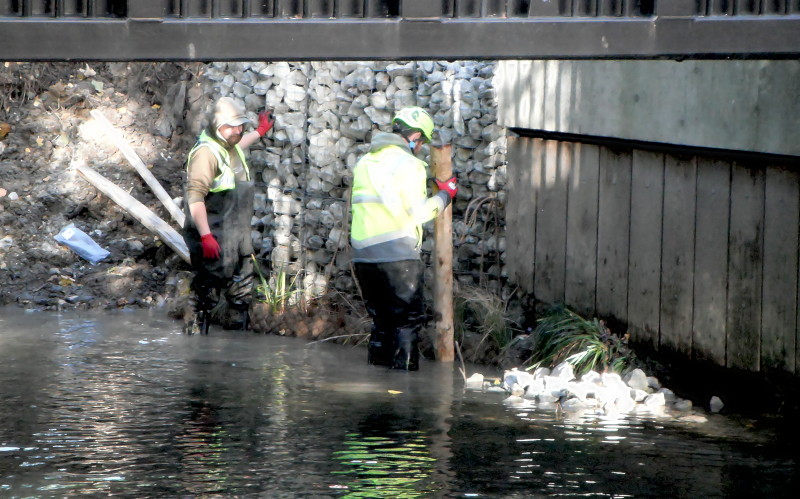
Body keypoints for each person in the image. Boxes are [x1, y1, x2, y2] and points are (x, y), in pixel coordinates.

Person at [350, 106, 458, 370]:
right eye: (422, 143)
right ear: (415, 137)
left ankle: (378, 382)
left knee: (381, 324)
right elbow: (419, 213)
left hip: (363, 257)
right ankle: (405, 389)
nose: (420, 148)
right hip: (398, 256)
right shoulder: (410, 164)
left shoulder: (365, 162)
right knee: (406, 323)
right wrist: (445, 195)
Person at [182, 96, 274, 335]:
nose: (238, 130)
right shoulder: (206, 153)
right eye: (231, 126)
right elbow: (195, 198)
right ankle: (194, 338)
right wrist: (205, 236)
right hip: (212, 233)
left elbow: (240, 144)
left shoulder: (228, 146)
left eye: (240, 125)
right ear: (217, 126)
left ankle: (236, 341)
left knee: (241, 290)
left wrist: (260, 131)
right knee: (206, 292)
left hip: (236, 234)